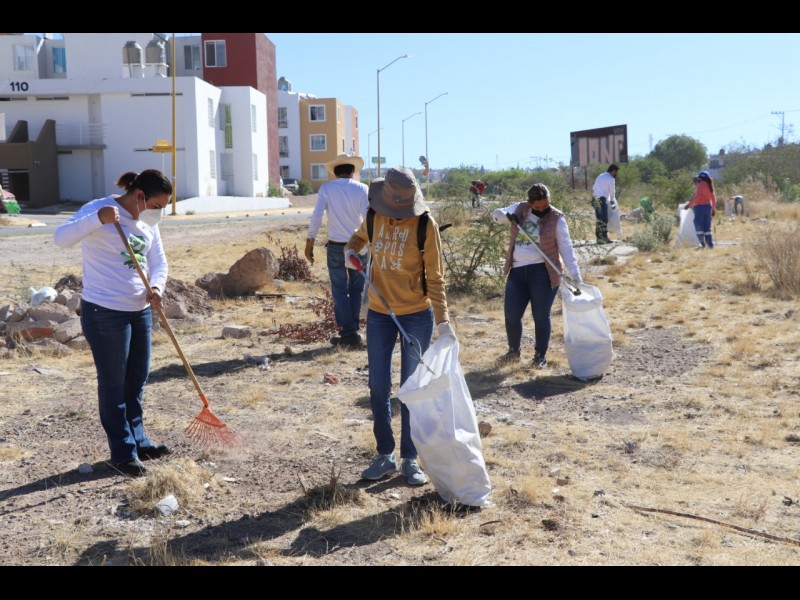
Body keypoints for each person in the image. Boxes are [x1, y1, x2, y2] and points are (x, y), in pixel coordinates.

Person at [53, 170, 174, 477]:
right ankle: (123, 453)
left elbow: (158, 261)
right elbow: (61, 238)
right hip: (105, 313)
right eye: (157, 205)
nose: (159, 213)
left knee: (136, 380)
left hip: (139, 311)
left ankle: (139, 442)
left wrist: (156, 287)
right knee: (113, 384)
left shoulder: (147, 222)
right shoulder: (99, 208)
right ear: (139, 196)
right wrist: (98, 219)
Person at [344, 167, 454, 486]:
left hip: (416, 315)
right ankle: (385, 454)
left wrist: (443, 321)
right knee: (378, 386)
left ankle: (409, 458)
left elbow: (435, 277)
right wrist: (350, 251)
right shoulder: (374, 216)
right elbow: (357, 239)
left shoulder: (425, 225)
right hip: (380, 314)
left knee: (410, 388)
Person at [492, 183, 582, 369]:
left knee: (540, 315)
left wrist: (575, 275)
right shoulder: (519, 209)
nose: (542, 210)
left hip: (543, 272)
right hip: (517, 271)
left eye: (545, 205)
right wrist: (505, 216)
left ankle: (540, 356)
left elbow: (566, 248)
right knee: (511, 314)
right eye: (537, 207)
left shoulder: (556, 218)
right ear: (530, 203)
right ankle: (513, 352)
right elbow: (496, 215)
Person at [305, 154, 369, 348]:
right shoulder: (362, 189)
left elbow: (317, 215)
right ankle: (353, 331)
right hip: (358, 246)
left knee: (339, 290)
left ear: (335, 172)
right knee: (356, 289)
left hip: (335, 247)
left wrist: (310, 240)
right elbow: (368, 218)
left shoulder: (326, 189)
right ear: (352, 171)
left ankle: (347, 332)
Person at [685, 170, 717, 249]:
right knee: (707, 228)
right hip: (708, 208)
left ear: (701, 178)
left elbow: (698, 197)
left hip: (700, 208)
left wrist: (689, 205)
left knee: (698, 226)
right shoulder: (709, 185)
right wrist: (713, 209)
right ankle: (710, 245)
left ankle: (702, 244)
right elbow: (713, 199)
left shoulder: (700, 185)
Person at [591, 164, 619, 244]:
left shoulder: (600, 176)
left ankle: (599, 238)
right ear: (613, 171)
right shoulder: (611, 178)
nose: (616, 174)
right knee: (604, 219)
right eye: (616, 172)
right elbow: (612, 191)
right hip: (601, 200)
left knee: (599, 219)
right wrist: (612, 201)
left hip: (594, 199)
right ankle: (604, 238)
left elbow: (594, 187)